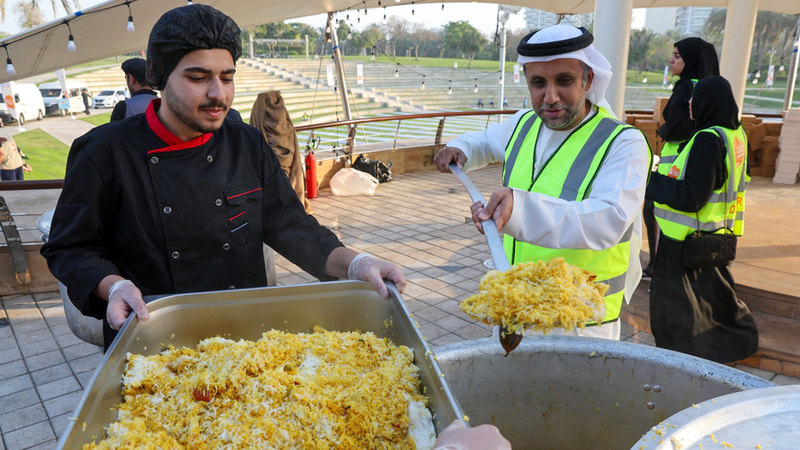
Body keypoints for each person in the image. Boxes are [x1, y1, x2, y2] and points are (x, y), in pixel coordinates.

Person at [41, 5, 406, 350]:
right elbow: (70, 248)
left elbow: (291, 225)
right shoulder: (104, 151)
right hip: (152, 342)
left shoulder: (246, 143)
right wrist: (114, 286)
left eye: (227, 77)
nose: (218, 94)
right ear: (160, 77)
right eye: (198, 78)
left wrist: (358, 263)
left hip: (245, 337)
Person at [433, 24, 651, 340]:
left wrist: (518, 209)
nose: (550, 97)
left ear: (588, 80)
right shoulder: (524, 123)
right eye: (538, 83)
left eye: (564, 81)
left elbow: (609, 220)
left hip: (580, 323)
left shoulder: (623, 143)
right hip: (516, 307)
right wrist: (461, 148)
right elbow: (484, 141)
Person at [646, 76, 758, 363]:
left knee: (674, 311)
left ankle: (678, 362)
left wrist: (651, 182)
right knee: (713, 304)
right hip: (715, 236)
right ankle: (727, 349)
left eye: (696, 97)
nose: (690, 103)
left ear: (709, 101)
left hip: (683, 242)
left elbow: (692, 196)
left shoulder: (706, 139)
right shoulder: (735, 135)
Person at [643, 37, 720, 279]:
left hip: (678, 166)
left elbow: (677, 126)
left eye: (677, 56)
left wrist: (663, 130)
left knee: (655, 212)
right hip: (684, 166)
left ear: (692, 60)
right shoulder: (706, 87)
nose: (671, 60)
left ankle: (657, 265)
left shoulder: (689, 87)